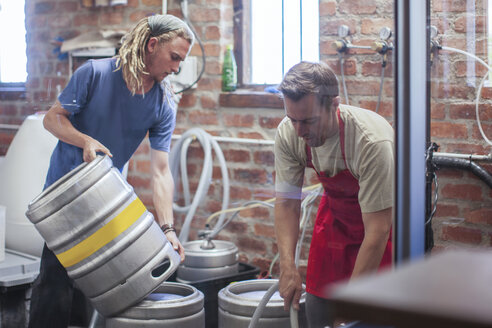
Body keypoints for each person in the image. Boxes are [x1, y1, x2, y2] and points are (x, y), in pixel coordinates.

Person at [28, 14, 194, 328]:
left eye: (181, 62)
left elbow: (160, 171)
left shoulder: (163, 104)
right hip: (65, 195)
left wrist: (168, 229)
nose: (176, 68)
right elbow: (53, 119)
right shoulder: (95, 73)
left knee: (96, 284)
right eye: (173, 58)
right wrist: (85, 140)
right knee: (55, 281)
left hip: (107, 198)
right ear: (152, 44)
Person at [274, 61, 393, 328]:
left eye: (308, 121)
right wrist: (288, 266)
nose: (299, 131)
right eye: (293, 119)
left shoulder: (371, 141)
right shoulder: (290, 131)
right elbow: (286, 204)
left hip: (379, 227)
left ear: (334, 104)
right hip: (335, 222)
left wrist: (349, 310)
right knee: (319, 310)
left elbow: (378, 230)